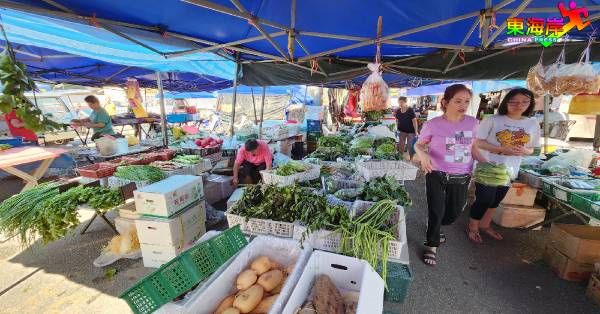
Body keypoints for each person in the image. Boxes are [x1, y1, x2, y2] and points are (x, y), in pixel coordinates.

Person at [414, 84, 486, 266]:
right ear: (445, 102)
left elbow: (473, 147)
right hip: (436, 173)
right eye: (458, 101)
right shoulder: (432, 124)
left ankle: (437, 227)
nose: (463, 105)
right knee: (436, 211)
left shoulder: (473, 123)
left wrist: (485, 163)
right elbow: (418, 145)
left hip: (462, 176)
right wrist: (423, 155)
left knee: (454, 212)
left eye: (467, 101)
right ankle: (432, 245)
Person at [467, 88, 540, 243]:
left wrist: (525, 150)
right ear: (506, 102)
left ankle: (485, 225)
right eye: (514, 101)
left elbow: (534, 149)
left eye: (524, 102)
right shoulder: (493, 120)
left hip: (510, 169)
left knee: (496, 200)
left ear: (530, 103)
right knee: (485, 199)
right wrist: (502, 149)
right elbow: (477, 142)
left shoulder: (532, 124)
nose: (519, 105)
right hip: (487, 166)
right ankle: (473, 226)